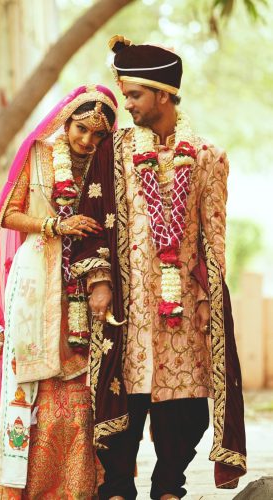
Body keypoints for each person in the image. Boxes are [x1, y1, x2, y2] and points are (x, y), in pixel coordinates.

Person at [70, 36, 247, 500]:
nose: (124, 105)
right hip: (127, 305)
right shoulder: (117, 151)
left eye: (133, 95)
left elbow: (214, 233)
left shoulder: (207, 156)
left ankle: (169, 484)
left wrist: (208, 298)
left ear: (163, 95)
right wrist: (99, 281)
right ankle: (116, 486)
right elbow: (93, 214)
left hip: (183, 306)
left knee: (185, 399)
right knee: (124, 392)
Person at [0, 85, 118, 498]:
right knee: (34, 375)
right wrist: (55, 226)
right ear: (66, 121)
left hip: (91, 280)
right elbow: (7, 215)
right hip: (39, 278)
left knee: (85, 375)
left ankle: (82, 485)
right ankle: (25, 487)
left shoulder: (107, 166)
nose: (87, 141)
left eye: (97, 135)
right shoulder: (39, 155)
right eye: (81, 129)